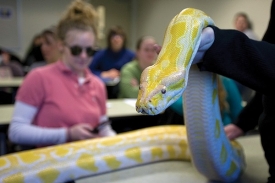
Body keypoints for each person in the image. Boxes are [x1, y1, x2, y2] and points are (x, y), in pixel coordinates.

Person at [8, 0, 116, 147]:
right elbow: (16, 131)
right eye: (76, 50)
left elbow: (104, 129)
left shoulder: (98, 85)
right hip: (50, 163)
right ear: (61, 46)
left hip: (88, 161)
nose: (84, 56)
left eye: (90, 51)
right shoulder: (38, 78)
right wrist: (67, 134)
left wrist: (119, 143)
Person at [169, 76, 243, 126]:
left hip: (186, 131)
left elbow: (190, 108)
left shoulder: (175, 84)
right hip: (224, 130)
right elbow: (237, 113)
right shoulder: (226, 80)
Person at [233, 12, 258, 102]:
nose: (241, 24)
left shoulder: (249, 35)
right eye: (239, 22)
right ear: (235, 23)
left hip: (245, 73)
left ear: (247, 24)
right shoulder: (235, 36)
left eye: (243, 22)